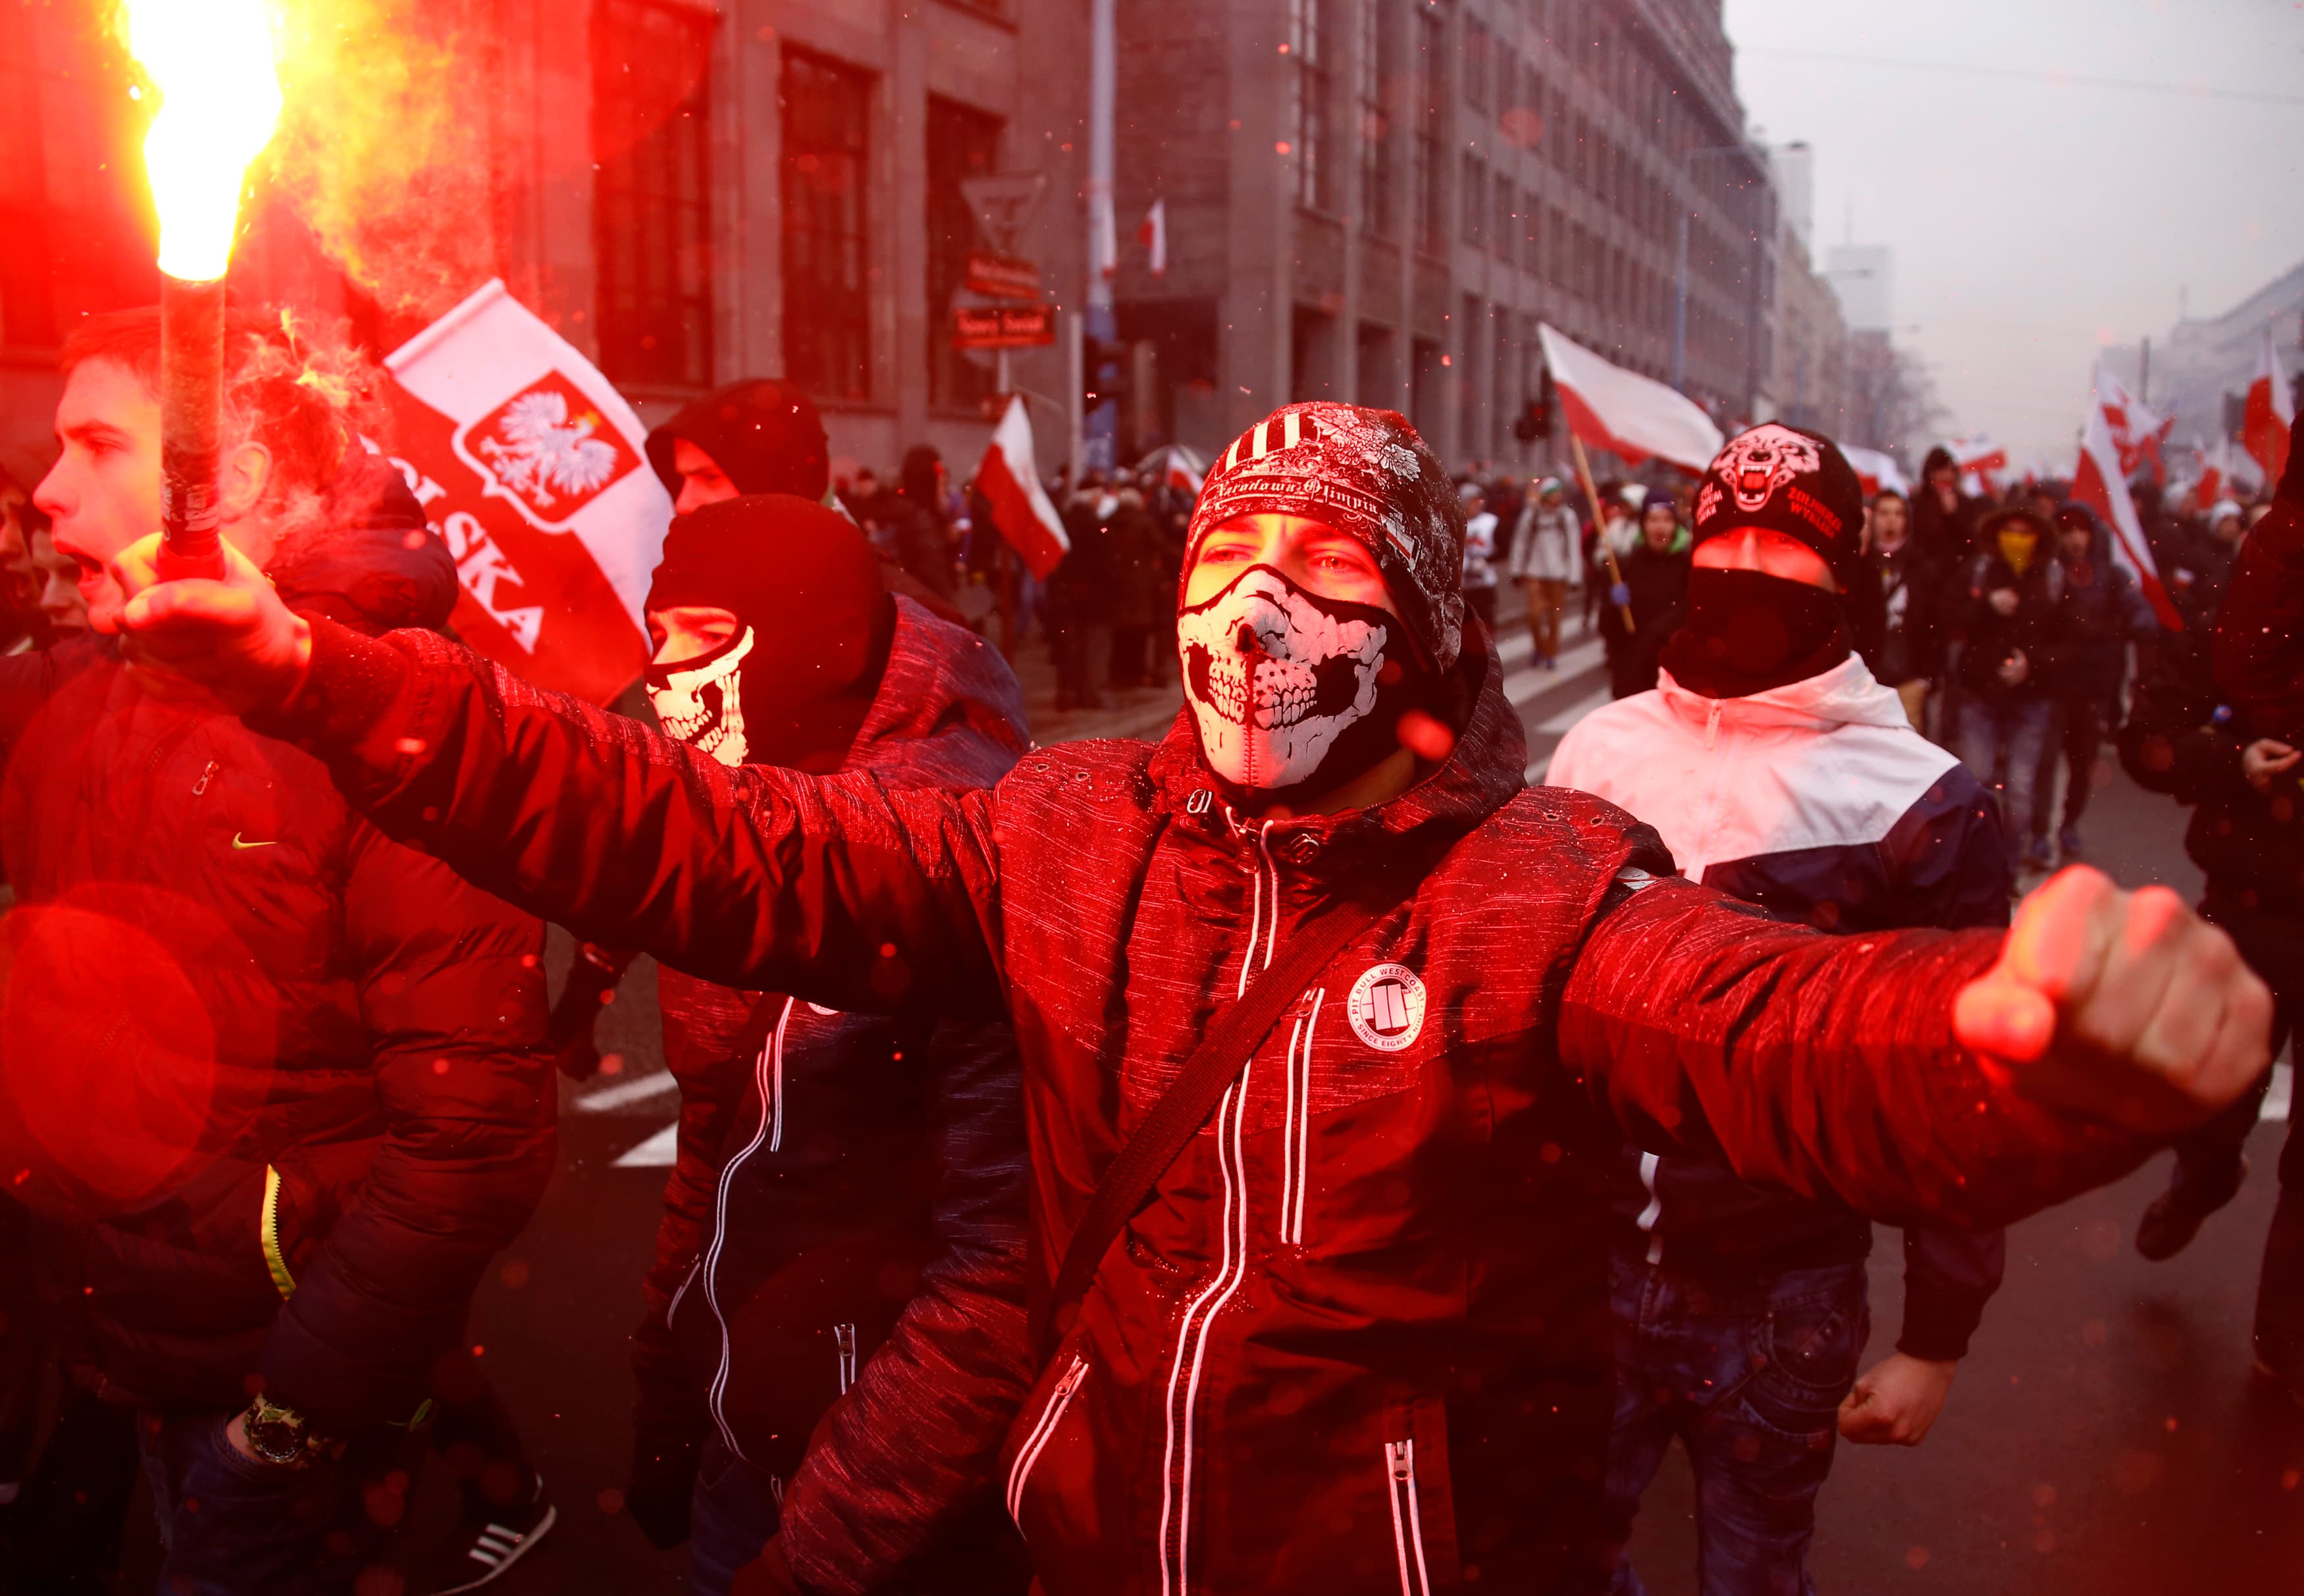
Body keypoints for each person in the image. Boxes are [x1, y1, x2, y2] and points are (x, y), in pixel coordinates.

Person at [111, 399, 2270, 1596]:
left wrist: (2026, 1055)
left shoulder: (1536, 888)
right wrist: (339, 684)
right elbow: (712, 841)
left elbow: (1777, 1031)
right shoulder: (1053, 832)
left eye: (1325, 585)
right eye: (1224, 571)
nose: (1260, 618)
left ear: (1413, 639)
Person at [0, 307, 558, 1596]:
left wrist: (297, 1411)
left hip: (278, 1396)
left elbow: (472, 1140)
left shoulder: (385, 724)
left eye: (96, 444)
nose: (46, 487)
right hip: (128, 1339)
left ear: (231, 478)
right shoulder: (88, 684)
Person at [1550, 423, 2012, 1596]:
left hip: (1781, 1290)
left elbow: (1959, 1089)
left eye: (1787, 550)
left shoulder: (1920, 799)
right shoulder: (1599, 750)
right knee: (1552, 1557)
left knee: (1755, 1577)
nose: (1750, 573)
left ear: (1847, 579)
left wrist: (1937, 1339)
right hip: (1581, 1275)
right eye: (1728, 544)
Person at [619, 496, 1033, 1595]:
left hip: (896, 1508)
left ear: (809, 637)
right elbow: (715, 1146)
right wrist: (671, 1395)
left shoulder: (960, 857)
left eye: (701, 636)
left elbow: (1002, 1273)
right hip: (745, 1433)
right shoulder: (734, 825)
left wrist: (826, 1546)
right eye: (655, 637)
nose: (664, 676)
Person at [2134, 407, 2304, 1406]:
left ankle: (2285, 1336)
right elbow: (2147, 736)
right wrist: (2232, 760)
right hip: (2249, 905)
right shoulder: (2241, 607)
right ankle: (2204, 1172)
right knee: (2211, 1101)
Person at [2031, 505, 2155, 865]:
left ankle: (2069, 822)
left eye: (2081, 530)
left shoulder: (2112, 576)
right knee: (2044, 762)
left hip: (2092, 687)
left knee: (2082, 761)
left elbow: (2135, 603)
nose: (2075, 538)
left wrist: (2142, 621)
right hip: (2053, 685)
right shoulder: (2049, 574)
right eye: (2067, 531)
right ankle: (2040, 831)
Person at [1951, 505, 2066, 874]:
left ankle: (2008, 867)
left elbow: (2072, 641)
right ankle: (1975, 866)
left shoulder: (2052, 578)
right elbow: (1947, 616)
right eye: (2010, 531)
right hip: (1980, 696)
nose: (2017, 539)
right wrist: (1986, 605)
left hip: (2031, 700)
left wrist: (2032, 665)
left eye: (2025, 532)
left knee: (2018, 794)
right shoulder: (1980, 571)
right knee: (1976, 782)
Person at [1859, 488, 1941, 734]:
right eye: (1884, 513)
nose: (1891, 520)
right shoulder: (1859, 564)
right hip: (1866, 680)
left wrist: (1925, 677)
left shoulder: (1922, 567)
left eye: (1897, 513)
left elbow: (1934, 622)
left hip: (1908, 679)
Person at [1600, 496, 1690, 699]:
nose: (1660, 527)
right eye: (1653, 520)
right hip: (1634, 672)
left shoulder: (1688, 566)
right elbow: (1608, 628)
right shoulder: (1627, 566)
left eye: (1667, 520)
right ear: (1643, 524)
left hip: (1672, 672)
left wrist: (1661, 632)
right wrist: (1613, 605)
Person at [1509, 476, 1578, 671]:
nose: (1558, 497)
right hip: (1535, 572)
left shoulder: (1567, 517)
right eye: (1554, 493)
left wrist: (1574, 576)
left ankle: (1551, 652)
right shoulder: (1532, 516)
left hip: (1559, 575)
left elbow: (1573, 547)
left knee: (1555, 618)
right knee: (1534, 615)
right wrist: (1517, 569)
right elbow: (1520, 543)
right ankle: (1540, 647)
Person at [1911, 445, 1980, 566]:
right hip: (1925, 571)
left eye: (1950, 470)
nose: (1946, 475)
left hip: (1958, 571)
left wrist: (1954, 515)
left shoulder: (1965, 502)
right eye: (1941, 471)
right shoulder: (1918, 502)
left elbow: (1971, 542)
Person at [1459, 484, 1501, 634]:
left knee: (1487, 621)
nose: (1476, 505)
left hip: (1485, 582)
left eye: (1478, 501)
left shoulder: (1491, 522)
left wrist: (1487, 561)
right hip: (1464, 585)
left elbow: (1501, 548)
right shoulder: (1458, 523)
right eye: (1472, 502)